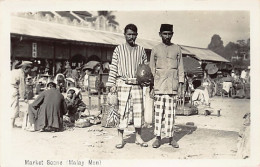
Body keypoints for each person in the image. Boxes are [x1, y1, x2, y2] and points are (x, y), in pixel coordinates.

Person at [106, 24, 148, 149]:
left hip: (136, 84)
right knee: (122, 111)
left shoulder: (141, 50)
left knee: (138, 111)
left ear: (137, 35)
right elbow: (113, 67)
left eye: (133, 34)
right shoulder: (118, 49)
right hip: (122, 83)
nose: (131, 37)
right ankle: (120, 138)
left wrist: (146, 81)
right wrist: (112, 84)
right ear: (124, 35)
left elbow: (145, 68)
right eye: (129, 34)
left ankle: (138, 137)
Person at [149, 24, 184, 148]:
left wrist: (180, 86)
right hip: (159, 86)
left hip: (172, 86)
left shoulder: (177, 49)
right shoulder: (155, 49)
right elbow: (151, 69)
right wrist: (151, 87)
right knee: (158, 114)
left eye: (169, 34)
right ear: (160, 34)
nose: (167, 36)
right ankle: (158, 138)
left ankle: (170, 138)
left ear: (172, 34)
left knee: (170, 114)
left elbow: (180, 68)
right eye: (165, 33)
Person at [11, 61, 32, 128]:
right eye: (29, 70)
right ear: (25, 68)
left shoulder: (13, 71)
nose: (29, 72)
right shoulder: (21, 74)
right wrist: (24, 98)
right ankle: (11, 124)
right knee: (14, 107)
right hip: (13, 89)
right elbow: (22, 87)